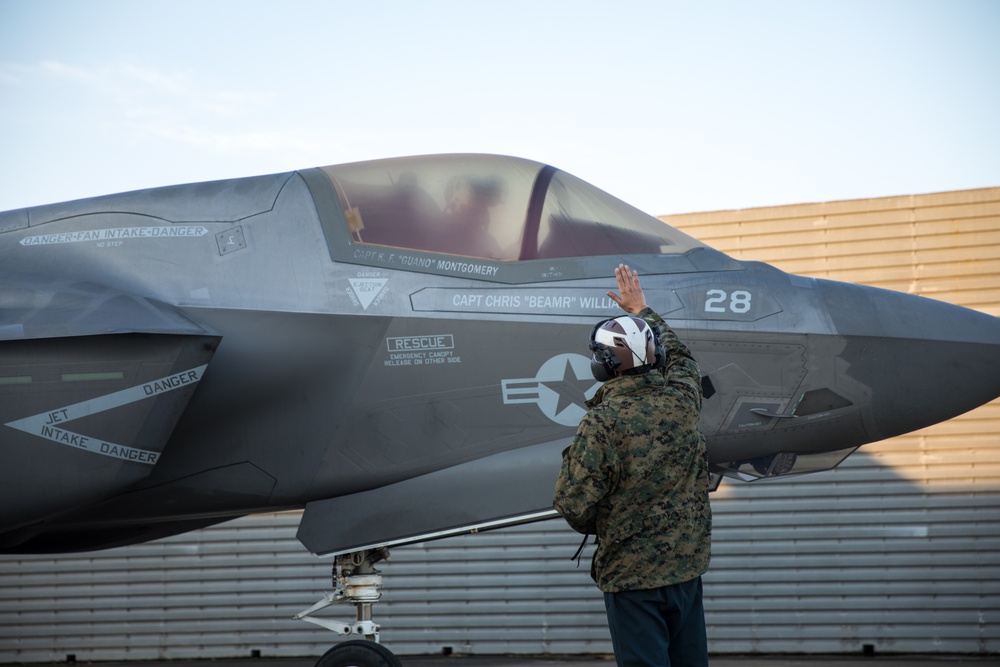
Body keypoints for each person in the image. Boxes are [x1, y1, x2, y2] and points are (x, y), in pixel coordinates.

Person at [553, 264, 712, 667]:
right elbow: (683, 359)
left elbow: (572, 505)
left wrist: (610, 519)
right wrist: (643, 312)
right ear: (653, 354)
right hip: (686, 571)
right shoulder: (682, 401)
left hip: (632, 581)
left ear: (603, 365)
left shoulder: (602, 424)